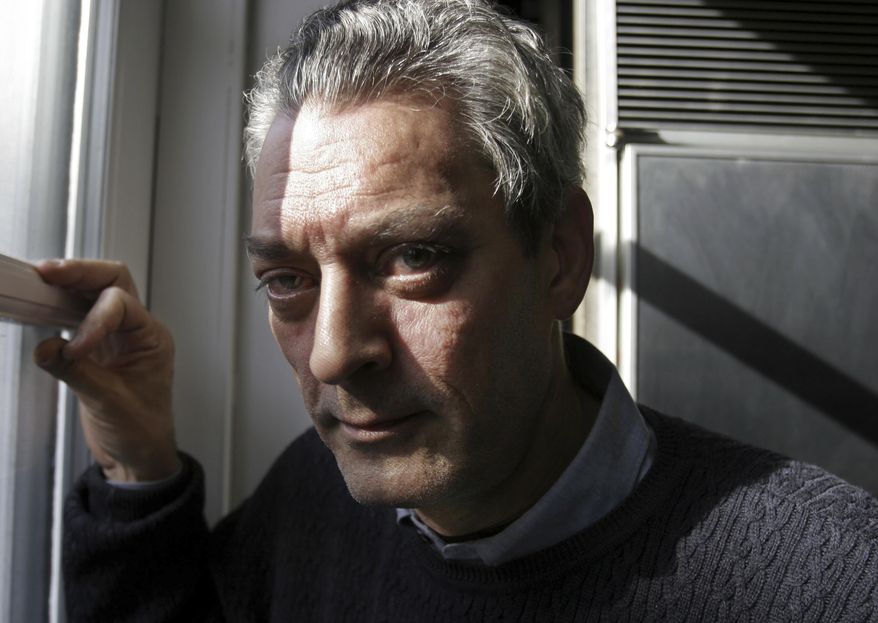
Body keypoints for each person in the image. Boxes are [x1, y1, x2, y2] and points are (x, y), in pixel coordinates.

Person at [34, 0, 878, 621]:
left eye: (411, 258)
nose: (332, 353)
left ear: (560, 257)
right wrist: (139, 463)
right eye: (287, 278)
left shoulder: (828, 578)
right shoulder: (314, 498)